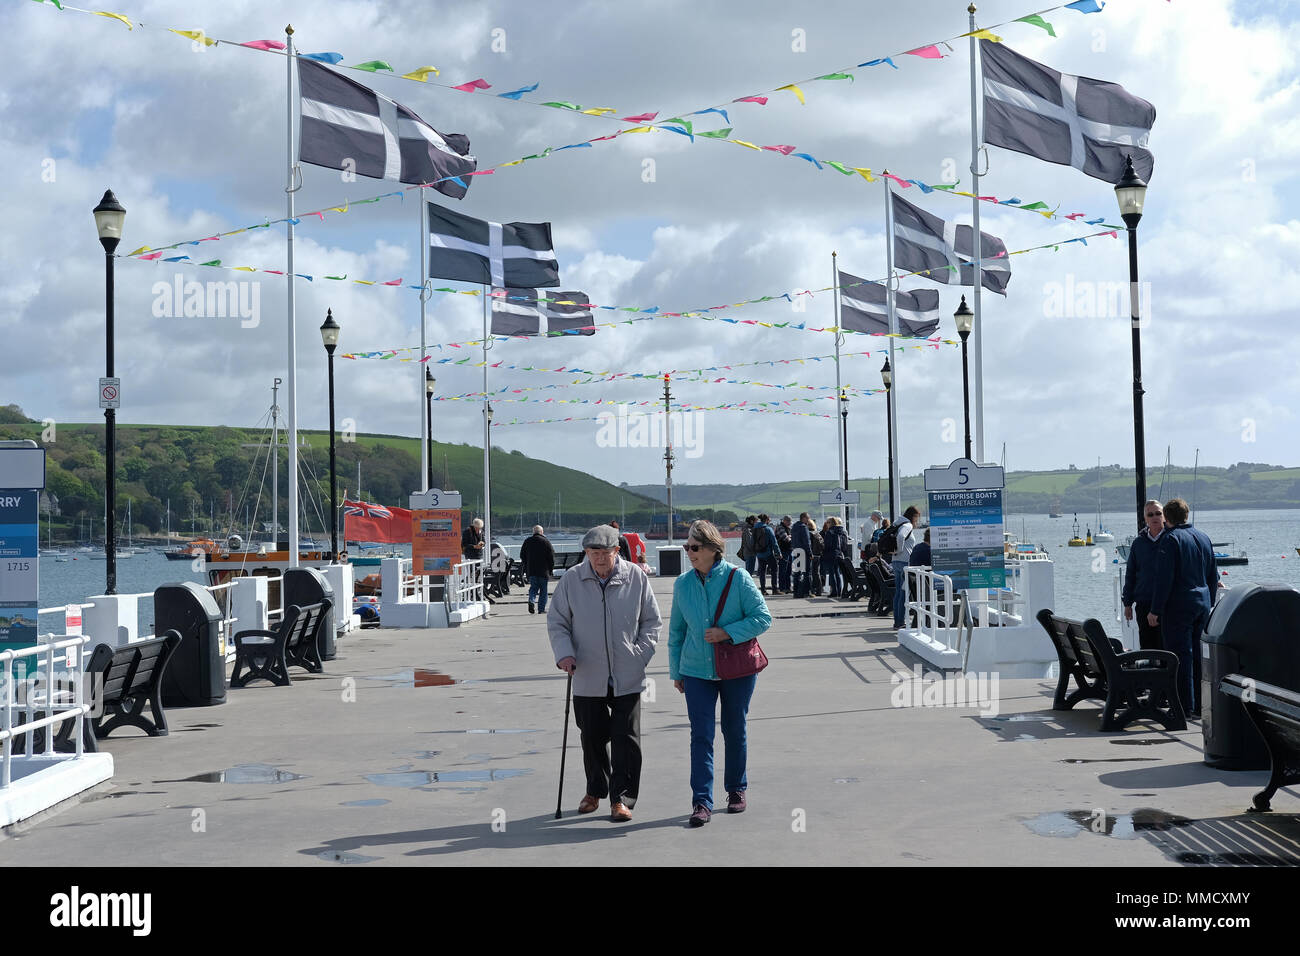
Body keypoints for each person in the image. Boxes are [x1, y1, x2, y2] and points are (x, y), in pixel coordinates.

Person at [548, 525, 661, 821]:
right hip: (586, 672)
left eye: (605, 553)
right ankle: (596, 790)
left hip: (628, 672)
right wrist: (565, 654)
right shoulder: (572, 580)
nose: (599, 559)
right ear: (586, 553)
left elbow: (651, 621)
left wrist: (641, 655)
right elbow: (557, 622)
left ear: (617, 552)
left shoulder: (635, 577)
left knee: (626, 738)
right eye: (593, 553)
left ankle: (621, 799)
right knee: (592, 736)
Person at [669, 519, 772, 827]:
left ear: (714, 549)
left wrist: (726, 632)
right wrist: (676, 671)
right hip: (695, 670)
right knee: (700, 735)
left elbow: (762, 618)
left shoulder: (738, 579)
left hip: (737, 671)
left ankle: (736, 789)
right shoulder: (682, 584)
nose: (689, 552)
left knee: (734, 729)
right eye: (687, 547)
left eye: (695, 547)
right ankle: (701, 801)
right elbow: (676, 632)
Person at [1148, 498, 1219, 718]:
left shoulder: (1170, 540)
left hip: (1179, 606)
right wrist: (1210, 601)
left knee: (1179, 656)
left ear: (1166, 518)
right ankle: (1200, 705)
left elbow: (1164, 579)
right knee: (1199, 657)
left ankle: (1182, 707)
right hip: (1202, 603)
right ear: (1186, 515)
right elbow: (1212, 575)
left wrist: (1155, 609)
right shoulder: (1203, 538)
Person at [1122, 500, 1166, 650]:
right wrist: (1127, 603)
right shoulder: (1138, 543)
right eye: (1150, 514)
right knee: (1147, 647)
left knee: (1165, 647)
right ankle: (1149, 673)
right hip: (1143, 603)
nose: (1155, 517)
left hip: (1167, 604)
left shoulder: (1171, 539)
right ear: (1145, 519)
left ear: (1164, 516)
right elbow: (1131, 574)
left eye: (1158, 513)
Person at [888, 506, 920, 627]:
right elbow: (901, 537)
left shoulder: (897, 523)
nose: (917, 520)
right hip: (904, 563)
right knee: (903, 593)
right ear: (913, 516)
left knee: (898, 593)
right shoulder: (907, 525)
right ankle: (900, 621)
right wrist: (899, 550)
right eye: (917, 517)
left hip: (895, 562)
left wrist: (896, 552)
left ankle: (897, 620)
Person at [519, 524, 556, 615]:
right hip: (544, 571)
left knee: (533, 588)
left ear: (533, 532)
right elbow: (551, 557)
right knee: (543, 590)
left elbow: (522, 555)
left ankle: (531, 600)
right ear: (542, 532)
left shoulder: (527, 541)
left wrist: (526, 564)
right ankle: (541, 609)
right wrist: (551, 569)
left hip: (531, 570)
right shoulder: (546, 542)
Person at [752, 514, 780, 595]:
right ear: (767, 520)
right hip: (768, 553)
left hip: (759, 554)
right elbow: (774, 542)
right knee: (774, 570)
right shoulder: (768, 529)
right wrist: (778, 553)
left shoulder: (755, 529)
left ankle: (763, 590)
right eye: (769, 520)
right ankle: (775, 589)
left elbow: (752, 542)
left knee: (762, 572)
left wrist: (756, 551)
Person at [821, 517, 847, 598]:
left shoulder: (830, 532)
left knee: (832, 574)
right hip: (839, 554)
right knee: (838, 573)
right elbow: (844, 545)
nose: (827, 524)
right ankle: (839, 591)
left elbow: (827, 545)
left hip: (830, 554)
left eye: (828, 522)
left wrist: (823, 550)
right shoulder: (842, 531)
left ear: (831, 523)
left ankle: (834, 592)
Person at [790, 512, 812, 598]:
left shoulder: (794, 527)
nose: (808, 520)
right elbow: (807, 542)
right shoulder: (804, 527)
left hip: (796, 551)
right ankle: (806, 591)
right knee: (806, 572)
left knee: (797, 572)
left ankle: (796, 592)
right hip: (803, 552)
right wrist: (810, 553)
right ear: (803, 518)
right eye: (808, 518)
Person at [775, 516, 794, 594]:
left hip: (789, 551)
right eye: (789, 522)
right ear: (785, 521)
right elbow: (786, 539)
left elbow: (790, 538)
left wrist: (790, 536)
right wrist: (790, 537)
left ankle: (788, 587)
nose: (790, 523)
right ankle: (782, 588)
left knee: (788, 571)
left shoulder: (787, 528)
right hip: (783, 551)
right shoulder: (780, 528)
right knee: (783, 570)